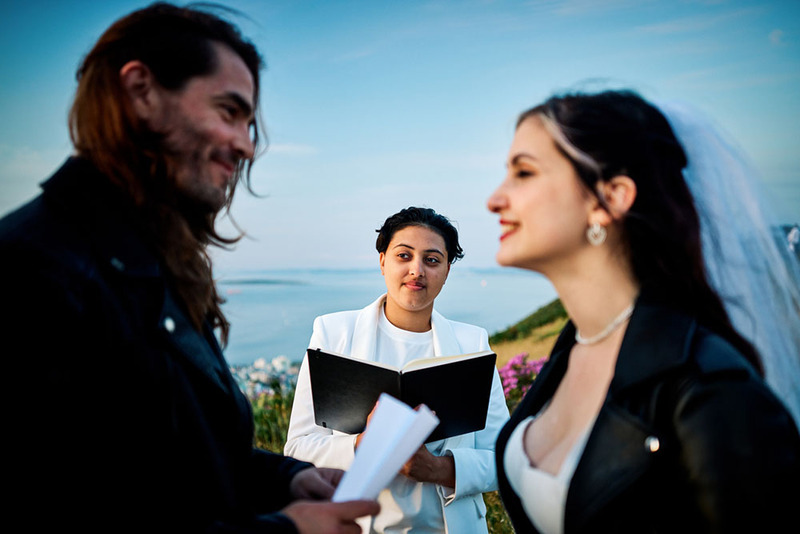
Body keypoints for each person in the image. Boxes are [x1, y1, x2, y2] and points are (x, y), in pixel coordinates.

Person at [0, 3, 378, 532]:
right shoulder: (32, 269)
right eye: (229, 112)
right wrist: (288, 530)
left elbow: (176, 466)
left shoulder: (152, 263)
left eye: (249, 122)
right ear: (141, 92)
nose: (247, 144)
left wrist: (288, 479)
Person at [486, 89, 800, 533]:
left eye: (524, 172)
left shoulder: (710, 390)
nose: (495, 199)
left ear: (609, 198)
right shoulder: (571, 347)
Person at [284, 206, 510, 533]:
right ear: (382, 261)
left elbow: (500, 458)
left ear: (447, 271)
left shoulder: (472, 343)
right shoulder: (332, 334)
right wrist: (362, 445)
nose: (416, 270)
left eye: (432, 260)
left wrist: (438, 469)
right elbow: (297, 448)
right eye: (404, 256)